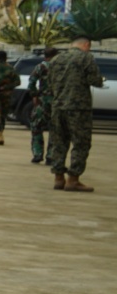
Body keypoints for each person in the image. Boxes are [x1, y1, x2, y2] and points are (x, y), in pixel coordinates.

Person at [46, 35, 107, 192]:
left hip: (58, 107)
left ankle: (58, 178)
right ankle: (73, 179)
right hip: (78, 108)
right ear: (86, 45)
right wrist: (101, 79)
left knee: (58, 142)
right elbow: (95, 80)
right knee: (81, 143)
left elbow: (49, 84)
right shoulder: (86, 58)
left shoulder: (56, 59)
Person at [27, 48, 58, 165]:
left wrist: (34, 95)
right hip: (57, 103)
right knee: (55, 130)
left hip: (42, 101)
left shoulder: (41, 67)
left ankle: (37, 154)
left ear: (45, 56)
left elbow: (31, 82)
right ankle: (51, 156)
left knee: (36, 127)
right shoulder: (62, 67)